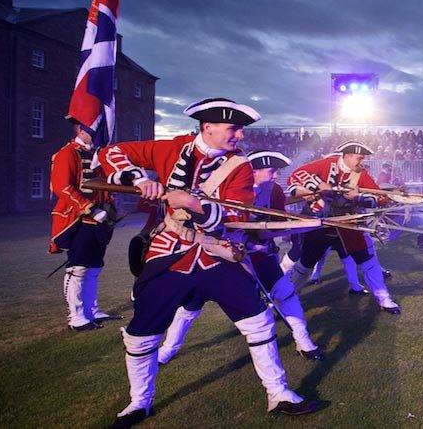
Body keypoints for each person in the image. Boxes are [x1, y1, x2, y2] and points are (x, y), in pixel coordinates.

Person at [99, 98, 317, 426]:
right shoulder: (168, 149)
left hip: (217, 253)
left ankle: (278, 393)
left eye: (240, 129)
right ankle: (139, 402)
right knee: (142, 332)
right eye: (233, 128)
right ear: (208, 127)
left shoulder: (240, 167)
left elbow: (234, 216)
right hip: (169, 254)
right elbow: (109, 153)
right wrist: (138, 178)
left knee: (258, 320)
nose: (240, 136)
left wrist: (194, 204)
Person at [156, 150, 324, 364]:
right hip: (219, 257)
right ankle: (169, 348)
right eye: (271, 171)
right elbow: (208, 225)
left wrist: (293, 227)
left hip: (259, 255)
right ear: (252, 171)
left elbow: (276, 223)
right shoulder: (221, 189)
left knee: (285, 293)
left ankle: (304, 342)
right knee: (191, 304)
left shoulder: (274, 192)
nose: (275, 176)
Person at [281, 141, 400, 314]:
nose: (361, 162)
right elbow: (296, 176)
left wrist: (358, 197)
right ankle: (286, 300)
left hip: (348, 224)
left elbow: (380, 198)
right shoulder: (326, 164)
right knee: (305, 264)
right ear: (348, 155)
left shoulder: (361, 174)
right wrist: (318, 186)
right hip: (321, 224)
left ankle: (384, 299)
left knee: (369, 262)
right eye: (359, 158)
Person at [49, 123, 121, 331]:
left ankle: (91, 310)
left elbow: (106, 184)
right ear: (80, 131)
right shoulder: (67, 153)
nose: (97, 135)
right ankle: (76, 317)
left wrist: (109, 207)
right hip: (79, 219)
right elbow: (62, 187)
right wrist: (89, 208)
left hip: (101, 219)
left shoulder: (100, 154)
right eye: (92, 131)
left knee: (95, 267)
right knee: (78, 267)